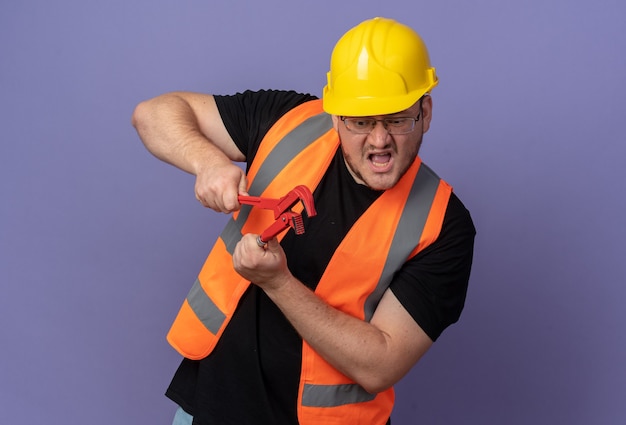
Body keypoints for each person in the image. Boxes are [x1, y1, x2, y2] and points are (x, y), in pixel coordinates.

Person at [132, 17, 475, 425]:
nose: (380, 140)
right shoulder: (287, 120)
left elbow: (381, 363)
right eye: (361, 121)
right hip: (209, 405)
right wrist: (206, 162)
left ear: (426, 111)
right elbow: (153, 114)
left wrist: (278, 283)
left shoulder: (443, 224)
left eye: (397, 119)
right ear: (335, 115)